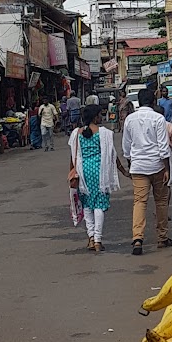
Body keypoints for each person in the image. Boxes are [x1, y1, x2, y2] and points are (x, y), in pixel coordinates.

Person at [121, 88, 172, 256]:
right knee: (161, 201)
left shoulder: (130, 119)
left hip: (138, 167)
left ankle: (137, 238)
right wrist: (167, 168)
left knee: (139, 202)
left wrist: (131, 165)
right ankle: (162, 237)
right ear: (154, 101)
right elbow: (163, 146)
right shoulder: (159, 118)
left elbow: (126, 147)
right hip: (157, 166)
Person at [69, 103, 125, 252]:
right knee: (99, 204)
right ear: (95, 117)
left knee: (87, 204)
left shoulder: (77, 133)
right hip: (100, 172)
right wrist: (123, 171)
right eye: (100, 115)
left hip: (83, 172)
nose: (101, 117)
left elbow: (73, 156)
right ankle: (98, 240)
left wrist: (71, 174)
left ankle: (91, 237)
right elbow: (112, 155)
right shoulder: (103, 133)